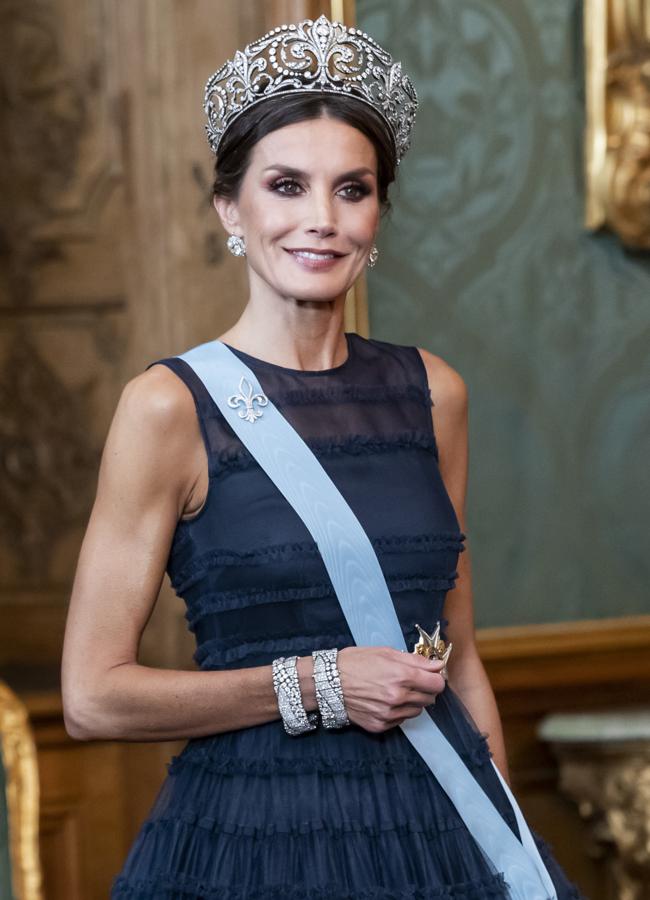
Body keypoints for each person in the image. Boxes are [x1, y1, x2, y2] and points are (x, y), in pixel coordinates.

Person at [61, 15, 584, 899]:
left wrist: (513, 851)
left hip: (443, 825)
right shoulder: (168, 407)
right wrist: (316, 683)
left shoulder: (434, 393)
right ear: (232, 207)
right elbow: (92, 697)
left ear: (379, 212)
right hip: (257, 836)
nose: (321, 219)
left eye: (353, 189)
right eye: (287, 185)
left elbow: (459, 656)